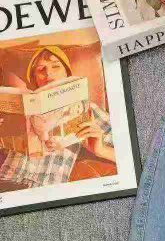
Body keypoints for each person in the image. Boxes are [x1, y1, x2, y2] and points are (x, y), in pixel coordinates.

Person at [0, 45, 115, 190]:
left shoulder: (86, 107)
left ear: (67, 73)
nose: (48, 73)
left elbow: (129, 155)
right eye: (40, 69)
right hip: (6, 179)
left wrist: (101, 150)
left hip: (44, 187)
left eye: (55, 66)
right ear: (35, 79)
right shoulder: (20, 107)